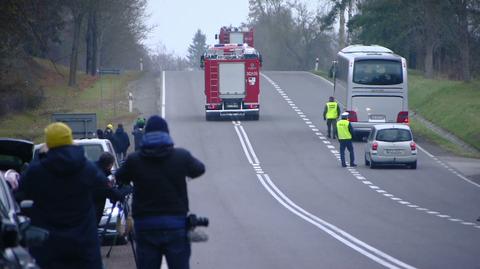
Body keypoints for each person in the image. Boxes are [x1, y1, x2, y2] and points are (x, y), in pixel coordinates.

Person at [115, 115, 205, 269]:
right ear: (167, 134)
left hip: (146, 226)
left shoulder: (135, 160)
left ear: (145, 134)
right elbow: (199, 169)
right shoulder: (180, 156)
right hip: (175, 224)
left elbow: (119, 177)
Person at [17, 122, 112, 269]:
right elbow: (102, 183)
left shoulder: (37, 171)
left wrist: (41, 157)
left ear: (48, 143)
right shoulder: (85, 167)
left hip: (49, 244)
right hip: (83, 242)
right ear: (70, 140)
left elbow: (19, 194)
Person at [93, 152, 123, 225]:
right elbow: (114, 194)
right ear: (110, 165)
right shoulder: (102, 178)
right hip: (93, 212)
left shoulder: (91, 168)